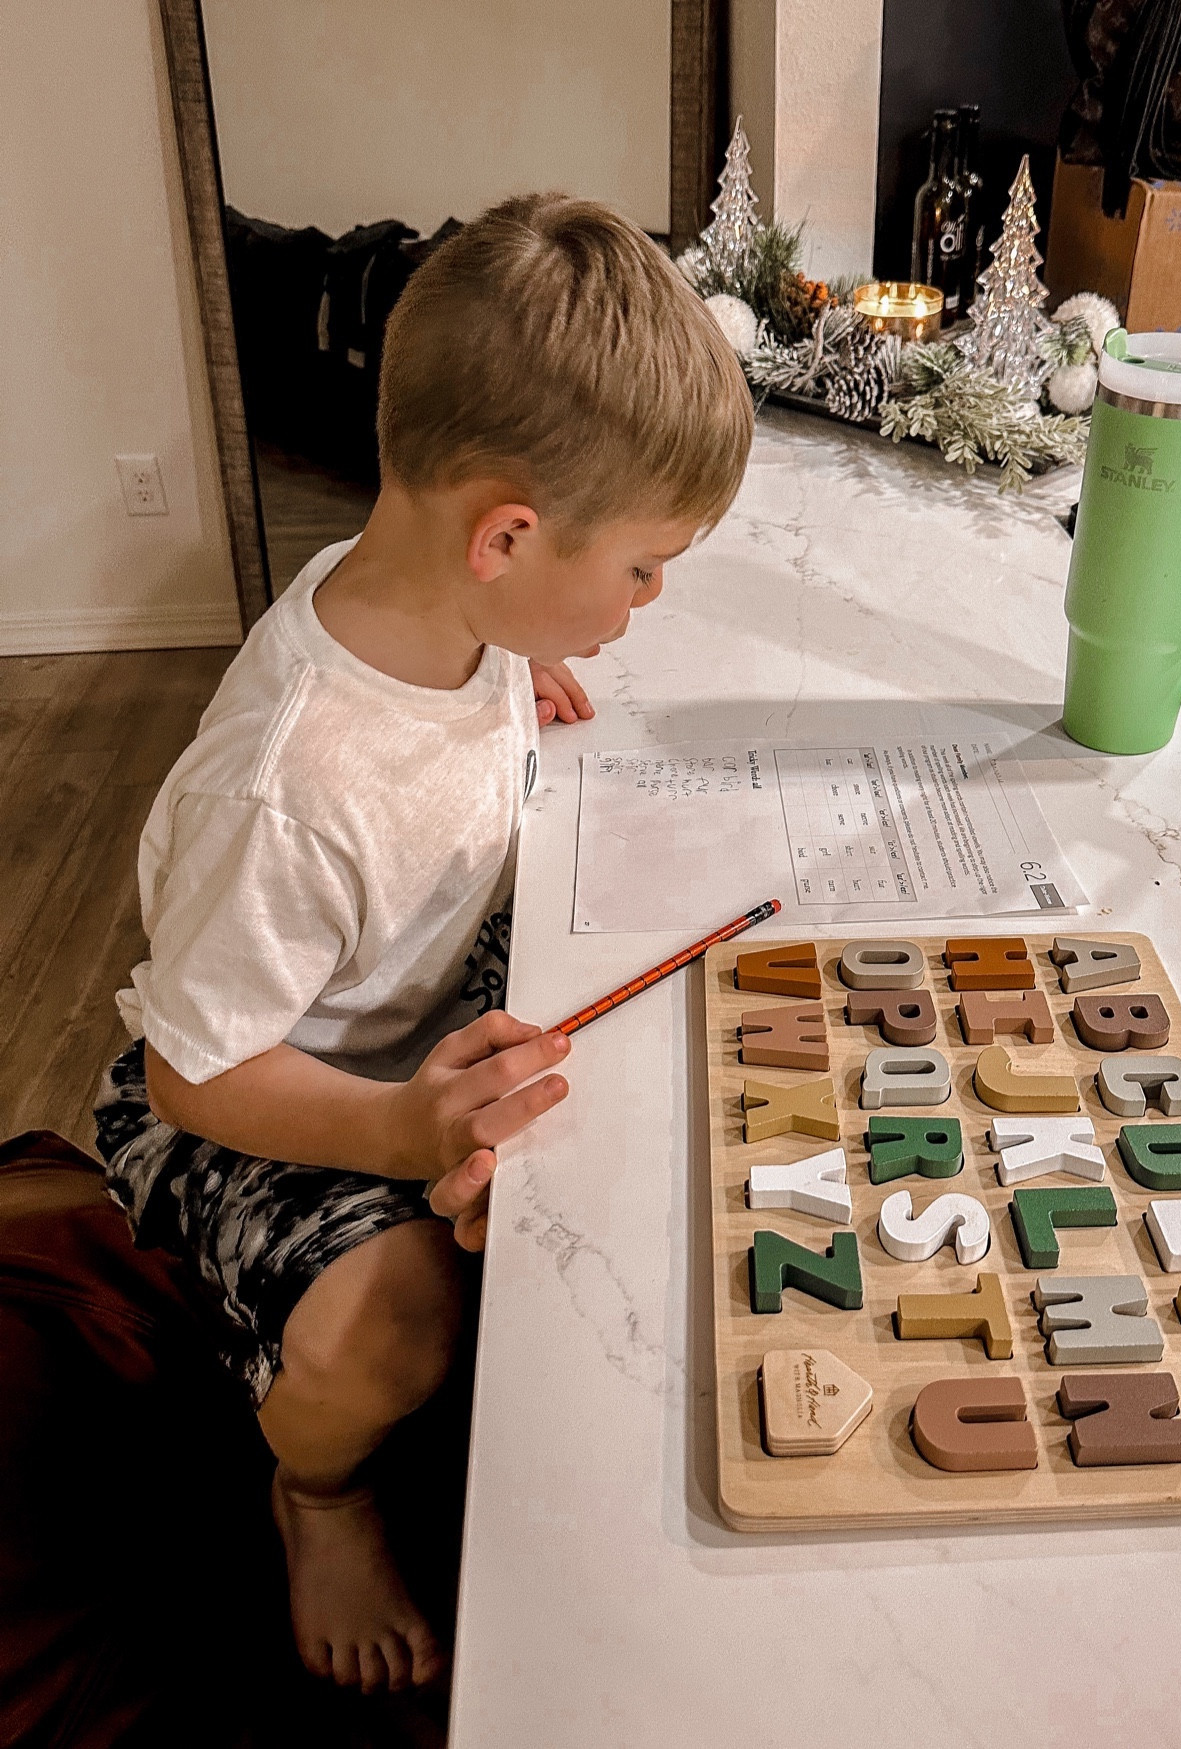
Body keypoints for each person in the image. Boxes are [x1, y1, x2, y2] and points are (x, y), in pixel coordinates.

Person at [93, 194, 754, 1696]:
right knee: (408, 1321)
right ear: (508, 535)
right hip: (268, 1088)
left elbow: (460, 695)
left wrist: (521, 671)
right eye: (644, 571)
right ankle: (315, 1490)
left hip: (402, 1003)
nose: (645, 608)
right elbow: (192, 1069)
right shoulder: (288, 785)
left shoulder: (453, 608)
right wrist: (398, 1130)